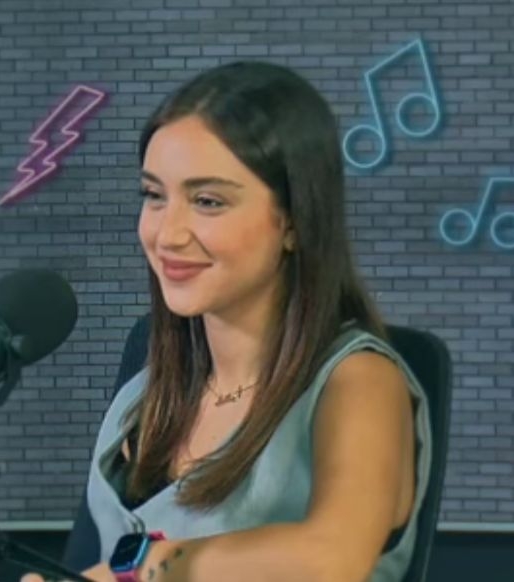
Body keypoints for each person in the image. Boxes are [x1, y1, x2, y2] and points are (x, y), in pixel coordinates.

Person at [22, 61, 432, 582]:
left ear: (294, 221)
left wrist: (144, 567)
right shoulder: (144, 391)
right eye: (154, 196)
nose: (168, 234)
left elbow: (331, 559)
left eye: (207, 202)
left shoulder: (361, 381)